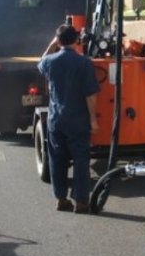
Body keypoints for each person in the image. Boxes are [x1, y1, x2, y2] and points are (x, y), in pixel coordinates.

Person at [38, 24, 100, 213]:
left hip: (56, 118)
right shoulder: (84, 63)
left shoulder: (51, 61)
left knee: (57, 158)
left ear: (58, 41)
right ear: (76, 40)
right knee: (81, 159)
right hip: (78, 118)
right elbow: (90, 95)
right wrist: (93, 119)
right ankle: (81, 201)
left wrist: (51, 45)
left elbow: (40, 62)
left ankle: (61, 198)